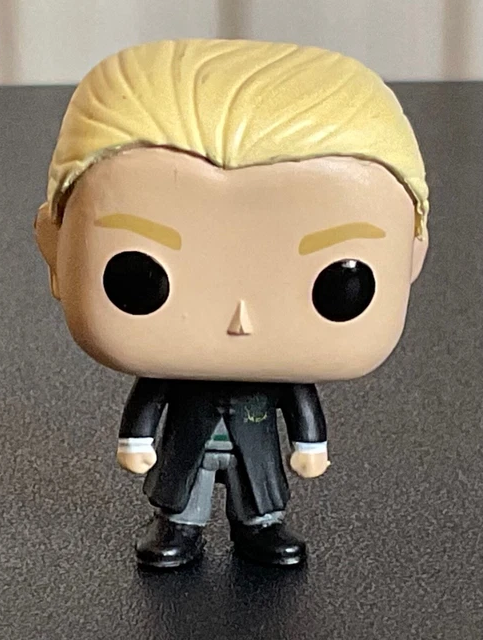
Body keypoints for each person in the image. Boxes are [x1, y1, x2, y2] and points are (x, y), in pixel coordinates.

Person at [35, 39, 429, 569]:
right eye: (137, 278)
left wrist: (310, 446)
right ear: (55, 249)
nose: (240, 320)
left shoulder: (281, 376)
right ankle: (178, 527)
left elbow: (300, 405)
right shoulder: (172, 372)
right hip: (188, 443)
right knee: (184, 493)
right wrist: (135, 439)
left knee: (257, 494)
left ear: (410, 259)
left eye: (339, 283)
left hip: (255, 446)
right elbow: (150, 399)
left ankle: (259, 527)